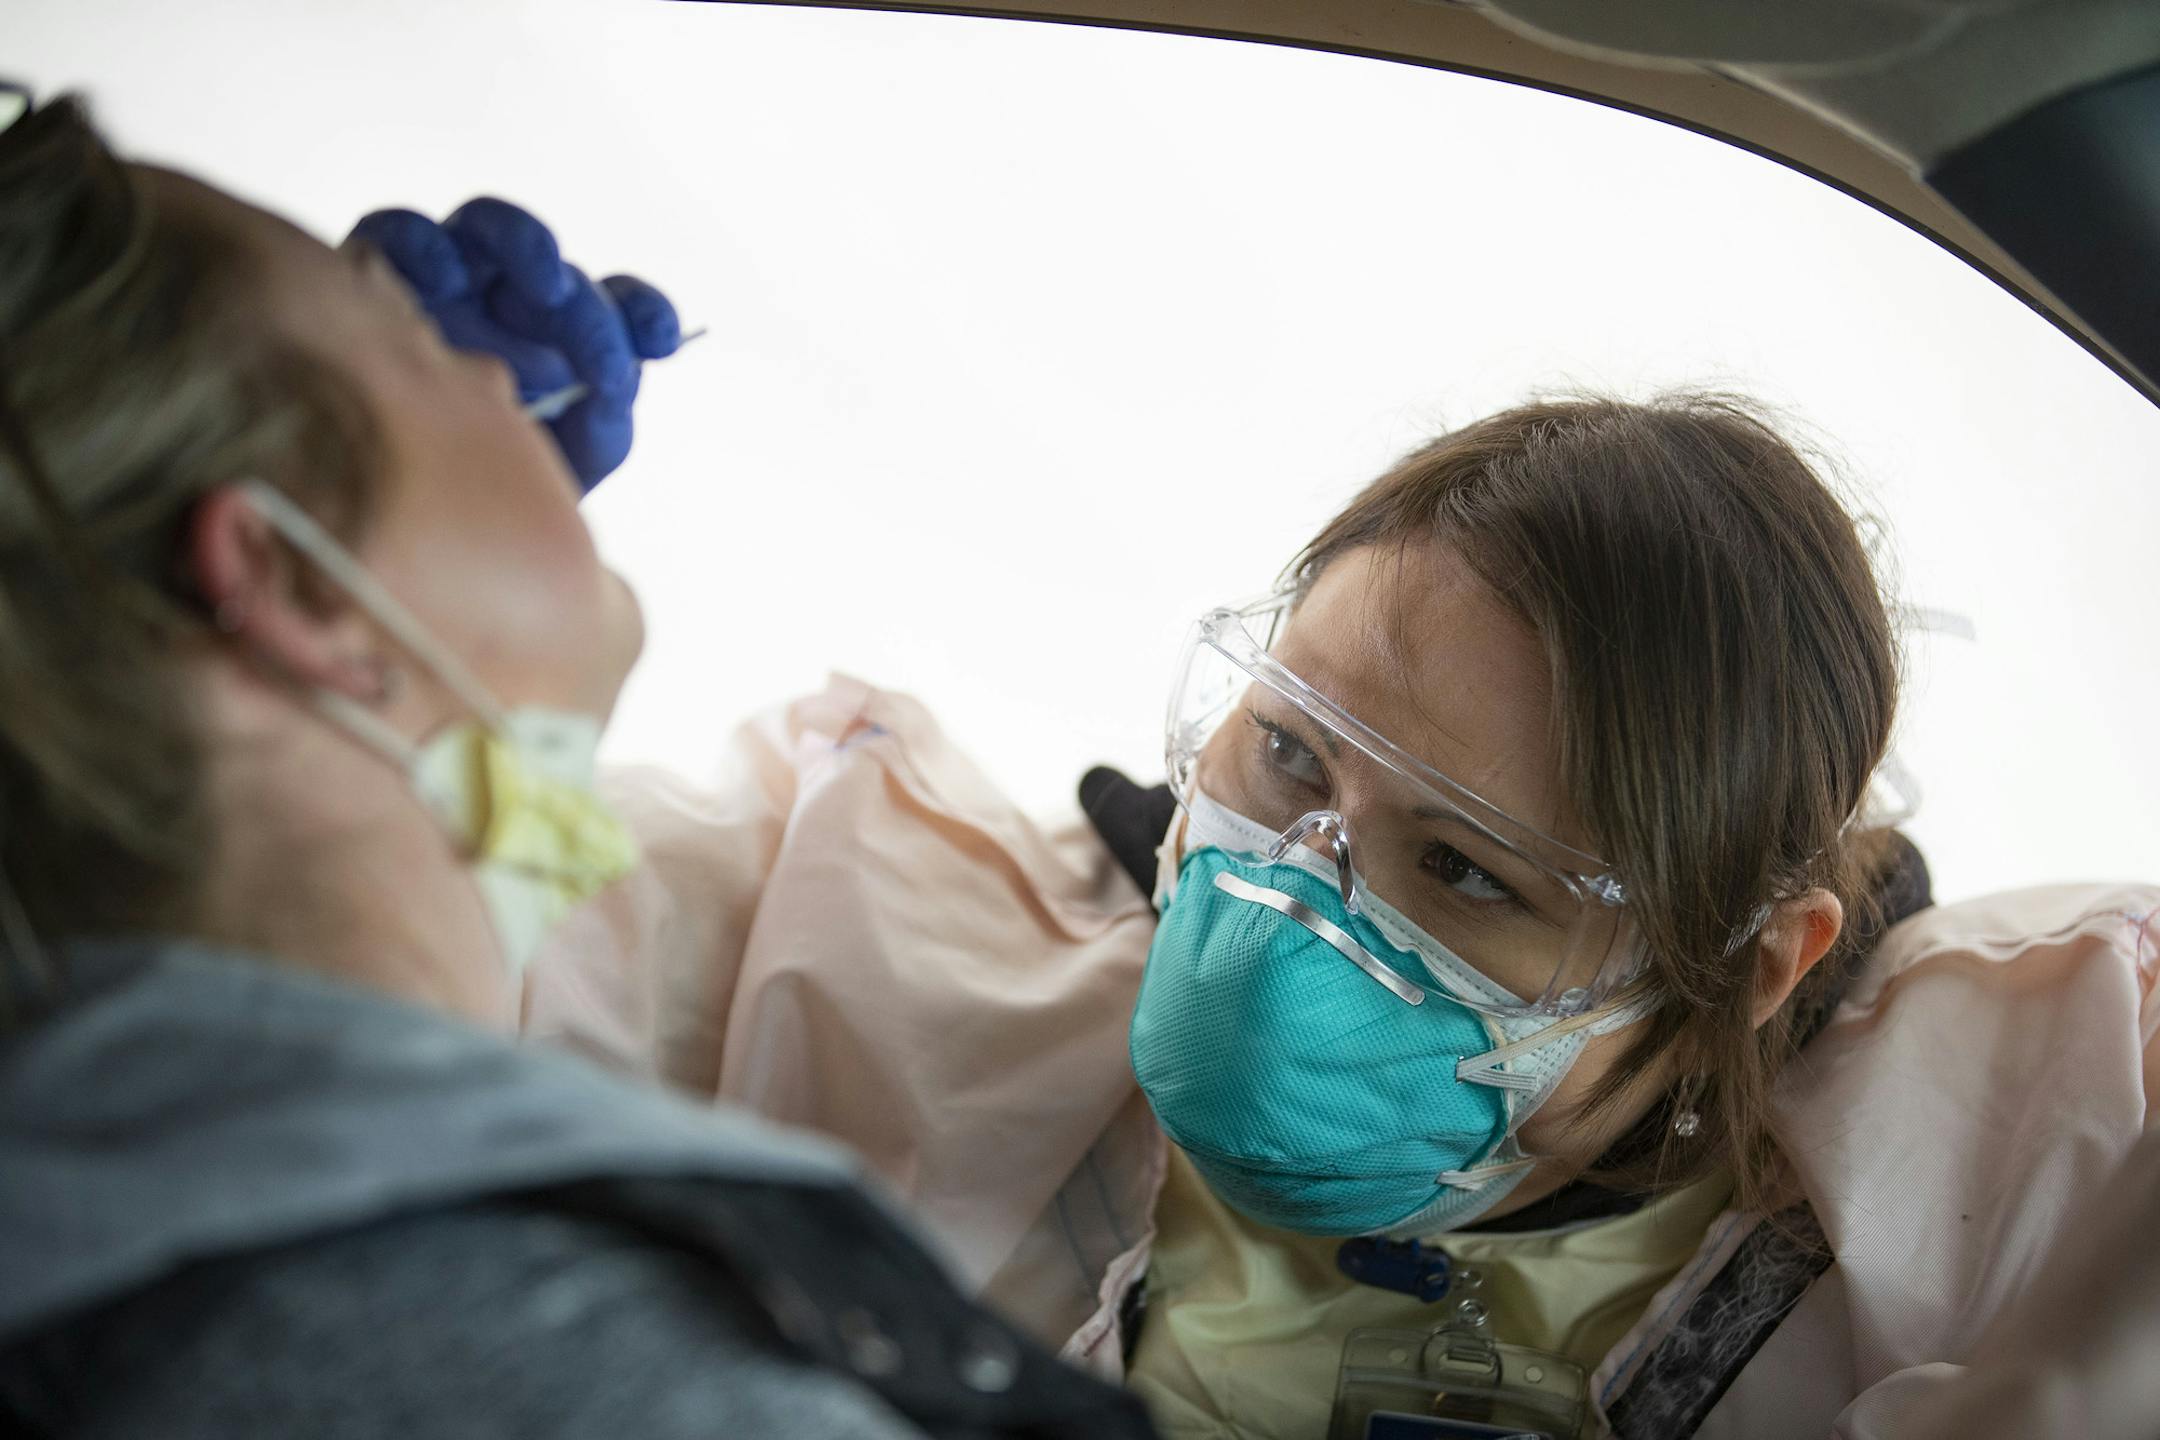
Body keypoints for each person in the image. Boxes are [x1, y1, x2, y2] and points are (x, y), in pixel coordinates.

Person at [430, 219, 2160, 1438]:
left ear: (1755, 959)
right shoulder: (863, 930)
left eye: (1465, 870)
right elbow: (356, 969)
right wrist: (387, 650)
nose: (1286, 912)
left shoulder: (2017, 1142)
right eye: (1290, 763)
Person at [0, 94, 1160, 1440]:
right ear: (287, 582)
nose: (500, 379)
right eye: (412, 354)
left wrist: (452, 653)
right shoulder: (566, 1382)